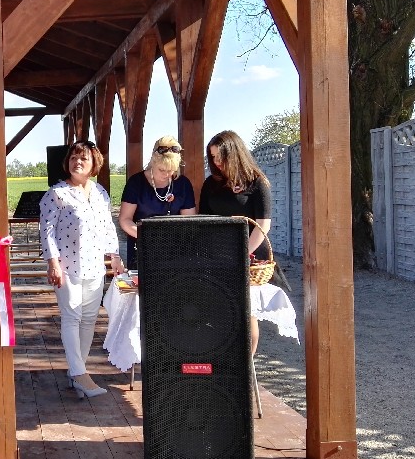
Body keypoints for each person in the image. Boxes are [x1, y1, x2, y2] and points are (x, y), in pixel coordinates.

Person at [39, 140, 125, 398]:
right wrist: (53, 262)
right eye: (74, 158)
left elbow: (108, 226)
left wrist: (114, 256)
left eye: (84, 158)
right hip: (67, 267)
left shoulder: (100, 192)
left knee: (89, 319)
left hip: (94, 266)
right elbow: (46, 231)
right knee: (72, 317)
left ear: (94, 163)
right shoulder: (57, 194)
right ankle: (78, 373)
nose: (78, 162)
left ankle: (78, 370)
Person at [199, 130, 273, 356]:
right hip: (218, 257)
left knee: (247, 313)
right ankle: (225, 361)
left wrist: (242, 254)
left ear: (234, 153)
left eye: (220, 156)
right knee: (220, 310)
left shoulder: (257, 182)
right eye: (212, 157)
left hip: (249, 257)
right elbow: (203, 221)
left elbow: (263, 225)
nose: (216, 162)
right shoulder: (211, 184)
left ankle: (246, 366)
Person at [117, 135, 197, 270]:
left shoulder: (183, 184)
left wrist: (175, 238)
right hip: (142, 248)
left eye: (171, 170)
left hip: (175, 251)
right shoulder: (136, 183)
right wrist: (147, 237)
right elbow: (125, 219)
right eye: (162, 170)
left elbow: (189, 221)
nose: (166, 174)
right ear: (153, 161)